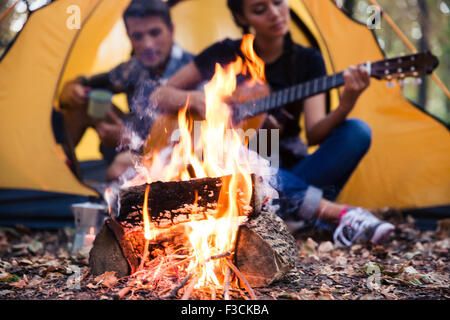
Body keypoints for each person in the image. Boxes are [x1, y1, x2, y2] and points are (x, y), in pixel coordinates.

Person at [149, 0, 395, 246]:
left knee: (357, 131)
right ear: (242, 17)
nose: (274, 14)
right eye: (259, 9)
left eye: (278, 2)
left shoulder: (307, 60)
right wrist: (203, 100)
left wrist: (347, 102)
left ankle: (286, 210)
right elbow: (158, 95)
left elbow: (315, 133)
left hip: (290, 168)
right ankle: (332, 214)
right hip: (237, 172)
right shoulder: (224, 54)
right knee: (226, 150)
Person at [59, 0, 194, 181]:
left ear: (171, 30)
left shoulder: (195, 70)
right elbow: (87, 84)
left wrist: (131, 141)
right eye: (137, 36)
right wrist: (72, 89)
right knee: (83, 102)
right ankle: (58, 173)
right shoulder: (134, 68)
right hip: (127, 143)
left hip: (170, 158)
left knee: (119, 170)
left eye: (155, 33)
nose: (147, 44)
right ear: (129, 37)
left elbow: (194, 143)